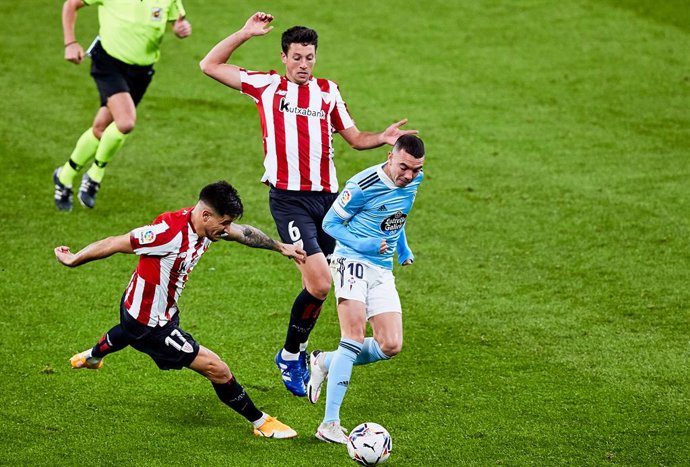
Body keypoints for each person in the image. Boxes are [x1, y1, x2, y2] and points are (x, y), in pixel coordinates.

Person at [199, 12, 418, 397]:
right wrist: (246, 33)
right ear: (284, 57)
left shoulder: (328, 92)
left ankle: (317, 354)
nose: (303, 65)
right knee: (319, 283)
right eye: (297, 57)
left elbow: (353, 138)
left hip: (329, 201)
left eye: (310, 57)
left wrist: (381, 137)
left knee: (333, 278)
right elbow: (209, 65)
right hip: (289, 201)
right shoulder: (266, 86)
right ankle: (291, 354)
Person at [54, 181, 306, 439]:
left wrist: (279, 246)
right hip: (150, 327)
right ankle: (261, 422)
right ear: (206, 215)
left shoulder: (207, 227)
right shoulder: (167, 233)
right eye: (225, 223)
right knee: (216, 368)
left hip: (139, 307)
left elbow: (244, 233)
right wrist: (73, 260)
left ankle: (93, 357)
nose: (227, 230)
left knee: (126, 331)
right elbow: (113, 242)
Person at [305, 135, 425, 444]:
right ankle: (329, 424)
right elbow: (331, 224)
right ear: (389, 156)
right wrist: (365, 243)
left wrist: (403, 248)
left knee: (390, 345)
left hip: (382, 269)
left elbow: (397, 218)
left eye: (416, 169)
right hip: (351, 260)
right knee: (353, 339)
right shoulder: (362, 184)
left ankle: (323, 362)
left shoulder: (414, 181)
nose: (409, 175)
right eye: (404, 167)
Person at [53, 0, 193, 211]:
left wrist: (181, 28)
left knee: (101, 128)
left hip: (142, 71)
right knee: (126, 122)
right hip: (109, 64)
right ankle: (94, 175)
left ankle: (64, 176)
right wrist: (70, 42)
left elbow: (178, 21)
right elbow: (71, 4)